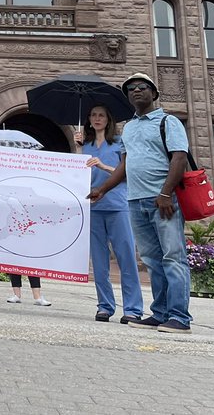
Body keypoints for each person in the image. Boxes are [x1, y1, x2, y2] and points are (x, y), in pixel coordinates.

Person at [89, 73, 191, 333]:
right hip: (135, 200)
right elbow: (126, 165)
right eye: (131, 89)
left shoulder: (168, 121)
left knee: (173, 257)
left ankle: (179, 317)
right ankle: (160, 313)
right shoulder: (129, 127)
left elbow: (179, 158)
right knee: (153, 259)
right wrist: (103, 189)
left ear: (153, 93)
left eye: (142, 87)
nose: (136, 91)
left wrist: (166, 193)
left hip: (162, 201)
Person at [77, 104, 144, 323]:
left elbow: (127, 173)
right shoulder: (84, 145)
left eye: (101, 115)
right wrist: (77, 151)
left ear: (108, 120)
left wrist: (104, 166)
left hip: (117, 206)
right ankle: (104, 306)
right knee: (99, 261)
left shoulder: (119, 144)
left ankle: (133, 308)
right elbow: (76, 174)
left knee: (126, 258)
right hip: (93, 208)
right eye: (93, 115)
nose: (97, 119)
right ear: (88, 118)